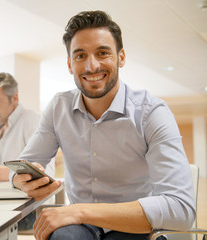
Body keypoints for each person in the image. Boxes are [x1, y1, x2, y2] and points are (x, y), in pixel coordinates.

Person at [12, 10, 196, 240]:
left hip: (133, 225)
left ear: (121, 57)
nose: (91, 66)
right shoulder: (58, 107)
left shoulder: (152, 112)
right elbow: (26, 165)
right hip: (80, 227)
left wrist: (79, 210)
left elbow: (181, 208)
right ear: (70, 64)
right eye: (80, 56)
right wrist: (21, 181)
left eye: (102, 53)